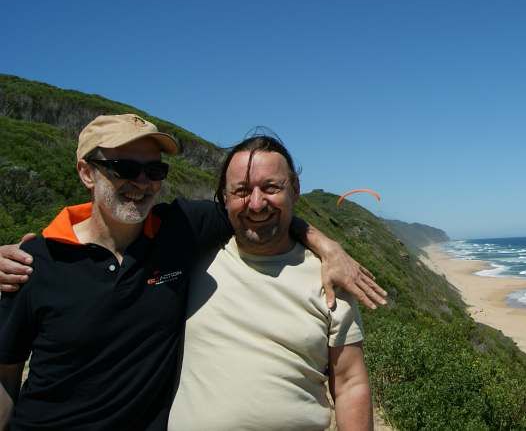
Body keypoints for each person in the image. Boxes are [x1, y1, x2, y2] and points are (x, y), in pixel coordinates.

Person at [0, 114, 384, 431]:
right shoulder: (32, 262)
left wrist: (328, 246)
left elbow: (262, 215)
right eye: (125, 168)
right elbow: (5, 376)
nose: (142, 183)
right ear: (86, 172)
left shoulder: (179, 232)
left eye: (154, 170)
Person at [168, 135, 371, 430]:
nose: (256, 203)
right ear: (224, 197)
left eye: (271, 187)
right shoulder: (191, 258)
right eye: (241, 190)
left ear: (295, 190)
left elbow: (350, 384)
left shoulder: (330, 278)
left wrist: (327, 247)